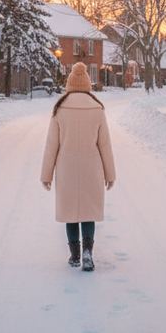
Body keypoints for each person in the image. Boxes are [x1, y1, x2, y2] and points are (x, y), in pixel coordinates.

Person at [40, 62, 116, 272]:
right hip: (92, 167)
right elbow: (105, 144)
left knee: (70, 211)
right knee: (88, 211)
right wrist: (110, 173)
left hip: (67, 167)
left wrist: (46, 174)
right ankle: (87, 253)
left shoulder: (59, 108)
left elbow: (51, 145)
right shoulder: (97, 108)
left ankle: (74, 255)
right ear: (87, 84)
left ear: (70, 84)